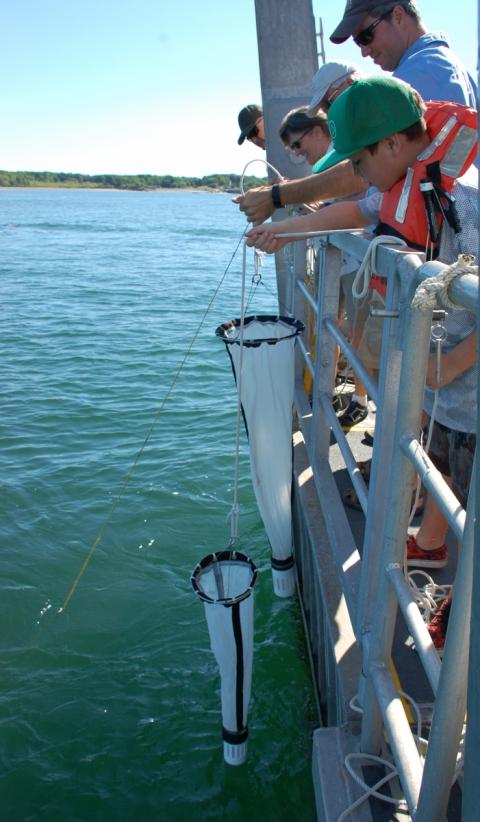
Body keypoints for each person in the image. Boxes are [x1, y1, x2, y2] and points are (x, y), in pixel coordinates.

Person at [250, 76, 478, 652]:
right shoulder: (406, 178)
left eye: (358, 156)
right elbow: (355, 206)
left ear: (394, 146)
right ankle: (439, 562)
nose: (353, 167)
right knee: (448, 478)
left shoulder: (466, 199)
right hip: (453, 399)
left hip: (465, 384)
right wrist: (282, 230)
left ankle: (456, 640)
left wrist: (451, 362)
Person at [234, 2, 477, 225]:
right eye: (358, 43)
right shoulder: (438, 65)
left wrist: (278, 196)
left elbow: (366, 169)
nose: (364, 51)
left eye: (365, 35)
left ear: (399, 15)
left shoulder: (425, 71)